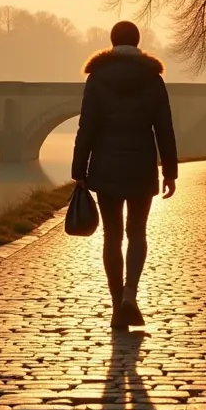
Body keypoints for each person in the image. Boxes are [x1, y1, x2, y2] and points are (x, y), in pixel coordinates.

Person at [71, 20, 178, 329]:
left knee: (112, 236)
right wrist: (169, 170)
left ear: (112, 41)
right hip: (142, 166)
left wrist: (79, 170)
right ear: (138, 41)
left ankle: (117, 302)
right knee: (137, 234)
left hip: (105, 168)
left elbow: (86, 127)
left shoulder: (97, 77)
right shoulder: (152, 77)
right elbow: (164, 127)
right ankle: (131, 293)